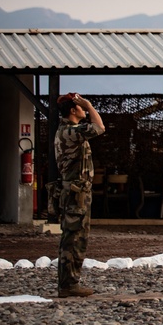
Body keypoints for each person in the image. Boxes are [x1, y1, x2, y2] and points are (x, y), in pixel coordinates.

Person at [54, 92, 105, 297]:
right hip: (75, 192)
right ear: (73, 110)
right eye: (80, 107)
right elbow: (100, 127)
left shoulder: (69, 131)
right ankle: (68, 284)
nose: (84, 110)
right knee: (74, 238)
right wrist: (90, 105)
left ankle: (70, 283)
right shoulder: (69, 131)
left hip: (78, 191)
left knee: (77, 237)